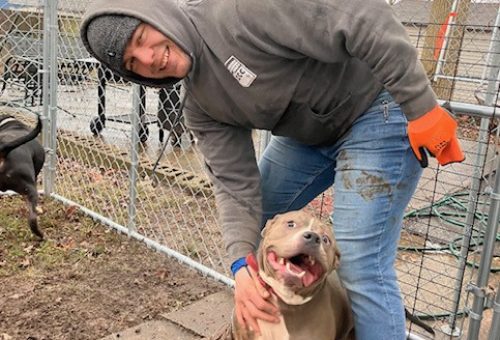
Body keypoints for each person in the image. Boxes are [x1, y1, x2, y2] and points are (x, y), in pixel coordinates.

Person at [80, 0, 465, 338]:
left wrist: (421, 107)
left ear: (156, 13)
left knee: (361, 263)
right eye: (133, 62)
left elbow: (360, 13)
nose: (149, 58)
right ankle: (276, 327)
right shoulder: (200, 105)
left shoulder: (239, 11)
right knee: (255, 233)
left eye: (142, 38)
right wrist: (240, 268)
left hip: (377, 109)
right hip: (310, 135)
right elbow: (234, 187)